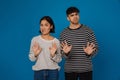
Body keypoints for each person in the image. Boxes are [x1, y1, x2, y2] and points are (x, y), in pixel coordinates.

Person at [60, 6, 98, 80]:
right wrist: (66, 53)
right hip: (69, 70)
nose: (75, 16)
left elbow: (96, 48)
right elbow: (61, 53)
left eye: (76, 14)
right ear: (68, 18)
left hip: (86, 69)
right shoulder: (63, 33)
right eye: (72, 15)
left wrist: (89, 53)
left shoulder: (88, 30)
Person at [29, 16, 62, 80]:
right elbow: (31, 59)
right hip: (38, 72)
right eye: (41, 25)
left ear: (51, 26)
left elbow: (59, 59)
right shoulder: (35, 40)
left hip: (53, 72)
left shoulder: (56, 41)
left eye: (46, 25)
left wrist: (53, 55)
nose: (43, 28)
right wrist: (35, 54)